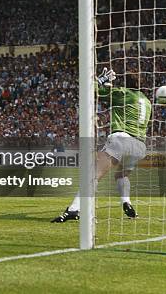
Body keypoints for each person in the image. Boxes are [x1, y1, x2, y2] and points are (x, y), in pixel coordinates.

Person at [52, 68, 151, 222]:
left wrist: (101, 80)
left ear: (125, 84)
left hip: (121, 140)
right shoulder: (146, 100)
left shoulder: (124, 93)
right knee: (121, 175)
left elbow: (89, 90)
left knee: (92, 175)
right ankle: (127, 203)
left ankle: (74, 209)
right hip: (139, 146)